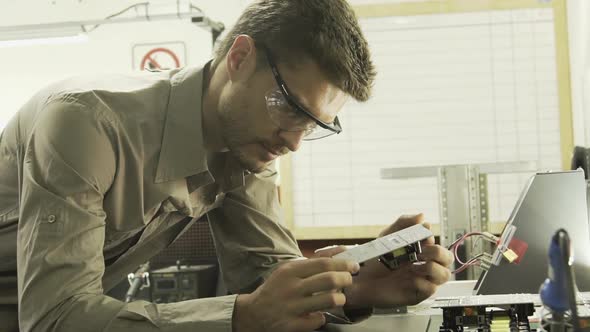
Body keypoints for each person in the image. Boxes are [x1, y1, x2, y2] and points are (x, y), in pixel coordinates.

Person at [0, 1, 453, 331]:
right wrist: (242, 316)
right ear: (239, 58)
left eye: (315, 124)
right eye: (289, 107)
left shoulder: (248, 147)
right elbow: (53, 318)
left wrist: (353, 284)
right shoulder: (86, 122)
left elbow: (267, 277)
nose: (295, 141)